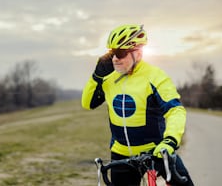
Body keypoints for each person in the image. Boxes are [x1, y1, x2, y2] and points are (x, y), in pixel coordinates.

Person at [81, 24, 194, 186]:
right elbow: (87, 103)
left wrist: (170, 141)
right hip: (121, 155)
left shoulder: (155, 76)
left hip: (156, 152)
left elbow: (175, 110)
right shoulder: (108, 78)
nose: (114, 59)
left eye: (120, 53)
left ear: (138, 53)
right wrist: (96, 76)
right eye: (112, 53)